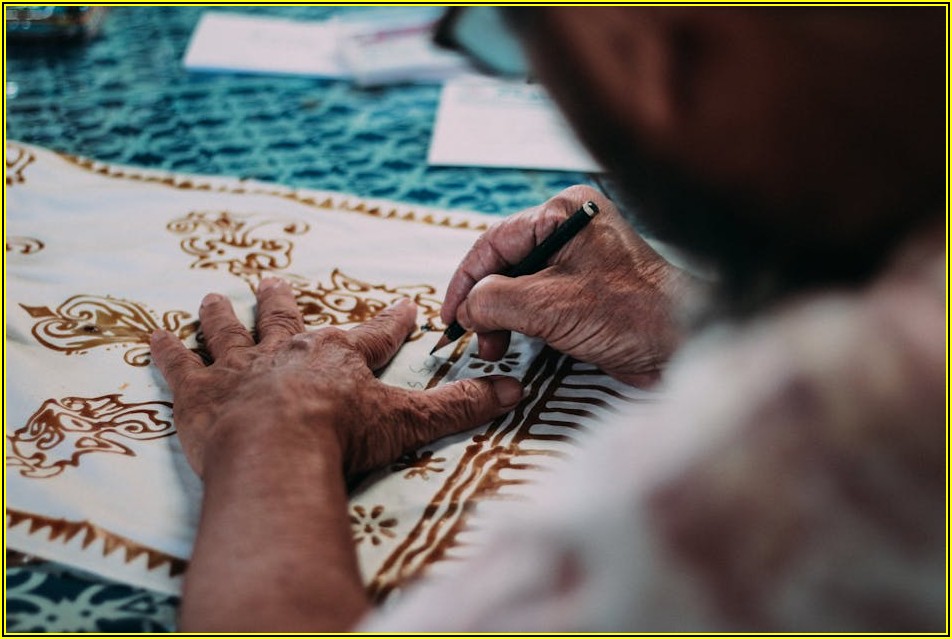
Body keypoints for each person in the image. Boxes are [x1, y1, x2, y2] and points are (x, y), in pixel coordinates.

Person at [149, 6, 945, 632]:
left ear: (645, 53)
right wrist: (682, 315)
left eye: (512, 34)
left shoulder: (815, 435)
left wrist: (275, 433)